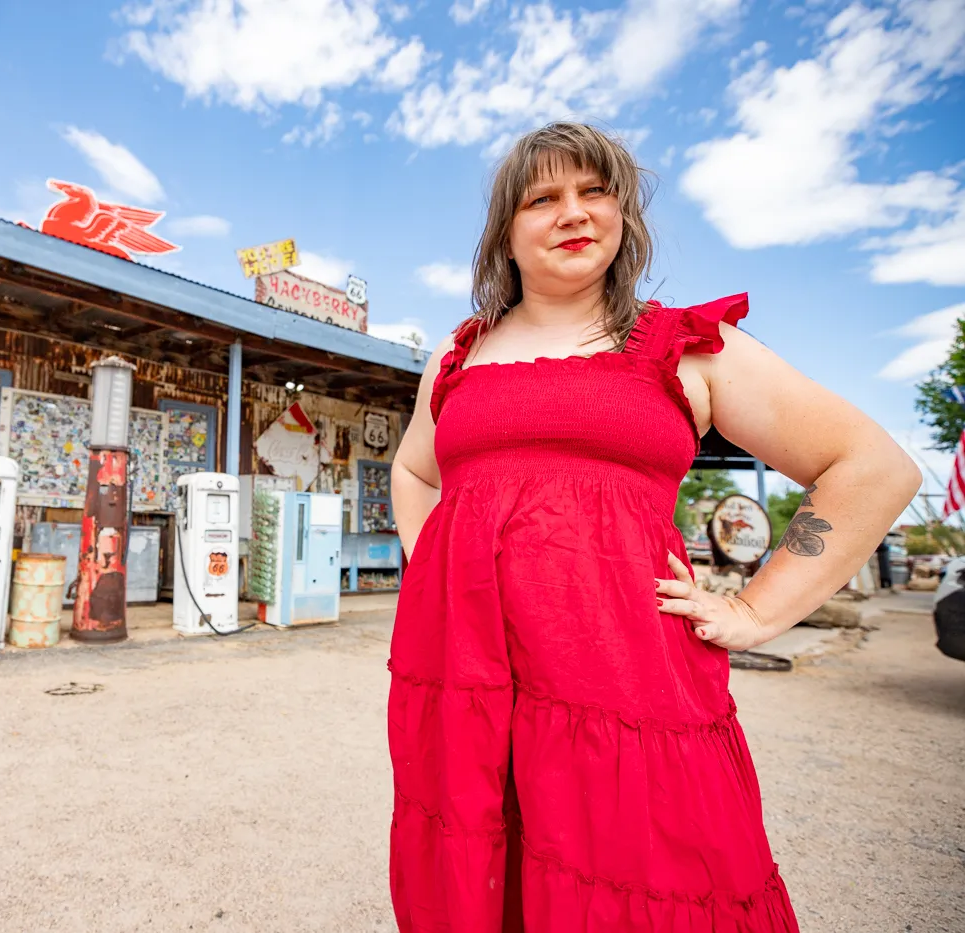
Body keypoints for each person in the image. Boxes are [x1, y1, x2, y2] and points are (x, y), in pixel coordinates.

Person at [386, 122, 920, 931]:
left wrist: (756, 609)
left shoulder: (684, 349)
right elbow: (416, 471)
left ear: (624, 216)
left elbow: (871, 467)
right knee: (482, 863)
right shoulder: (458, 357)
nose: (573, 212)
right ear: (505, 231)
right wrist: (440, 580)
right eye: (544, 198)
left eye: (594, 191)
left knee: (653, 878)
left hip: (627, 683)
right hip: (469, 679)